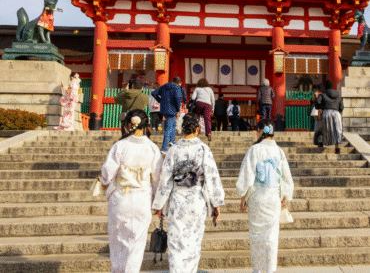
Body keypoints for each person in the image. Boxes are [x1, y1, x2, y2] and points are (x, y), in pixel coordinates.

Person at [152, 113, 225, 273]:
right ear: (198, 129)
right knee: (193, 244)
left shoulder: (173, 151)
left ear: (181, 129)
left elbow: (165, 180)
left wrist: (159, 205)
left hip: (177, 201)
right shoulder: (203, 149)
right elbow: (212, 177)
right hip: (196, 201)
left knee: (176, 245)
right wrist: (216, 203)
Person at [100, 109, 163, 273]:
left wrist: (103, 182)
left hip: (120, 199)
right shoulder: (152, 148)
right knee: (136, 246)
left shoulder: (119, 146)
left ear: (129, 125)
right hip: (142, 201)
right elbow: (157, 179)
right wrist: (159, 203)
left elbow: (107, 175)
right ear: (146, 126)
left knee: (117, 243)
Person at [236, 119, 294, 273]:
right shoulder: (279, 151)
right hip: (273, 198)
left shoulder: (254, 150)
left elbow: (247, 176)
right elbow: (286, 177)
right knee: (271, 239)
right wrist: (285, 197)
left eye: (257, 130)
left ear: (261, 131)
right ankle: (270, 270)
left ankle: (258, 270)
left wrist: (243, 198)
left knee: (256, 238)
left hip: (257, 199)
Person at [151, 76, 183, 155]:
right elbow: (178, 99)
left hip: (164, 108)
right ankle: (164, 148)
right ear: (179, 83)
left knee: (173, 124)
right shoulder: (177, 88)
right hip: (172, 109)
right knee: (169, 128)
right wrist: (178, 108)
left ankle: (172, 141)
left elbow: (153, 93)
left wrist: (161, 101)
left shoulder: (164, 86)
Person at [314, 80, 344, 154]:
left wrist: (319, 107)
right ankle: (337, 148)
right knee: (337, 130)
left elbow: (317, 102)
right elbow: (342, 106)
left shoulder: (323, 95)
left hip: (326, 112)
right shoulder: (338, 96)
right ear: (332, 86)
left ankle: (320, 143)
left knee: (321, 128)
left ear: (325, 87)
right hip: (336, 114)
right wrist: (338, 112)